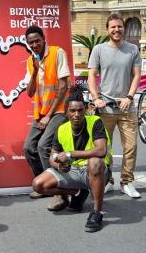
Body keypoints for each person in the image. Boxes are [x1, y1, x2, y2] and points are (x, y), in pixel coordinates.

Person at [32, 88, 111, 232]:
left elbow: (101, 150)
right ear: (66, 112)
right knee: (38, 185)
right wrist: (58, 166)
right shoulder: (61, 128)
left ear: (86, 110)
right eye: (73, 111)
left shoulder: (95, 121)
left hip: (94, 171)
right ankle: (77, 193)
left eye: (80, 110)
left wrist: (70, 154)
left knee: (95, 162)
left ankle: (97, 213)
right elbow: (53, 157)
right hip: (72, 171)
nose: (77, 114)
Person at [87, 13, 142, 198]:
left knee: (131, 147)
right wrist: (96, 98)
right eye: (113, 27)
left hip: (128, 108)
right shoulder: (98, 49)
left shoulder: (133, 49)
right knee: (105, 149)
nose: (116, 30)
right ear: (107, 29)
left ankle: (127, 182)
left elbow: (136, 76)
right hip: (105, 108)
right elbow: (91, 77)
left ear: (123, 28)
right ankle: (108, 180)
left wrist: (129, 96)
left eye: (119, 26)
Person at [22, 25, 71, 210]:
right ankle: (43, 184)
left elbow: (64, 85)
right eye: (30, 43)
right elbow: (30, 92)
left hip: (59, 111)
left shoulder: (57, 53)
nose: (34, 45)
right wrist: (34, 71)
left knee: (43, 146)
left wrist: (49, 115)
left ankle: (59, 192)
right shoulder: (30, 62)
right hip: (41, 114)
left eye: (37, 41)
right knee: (28, 148)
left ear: (44, 39)